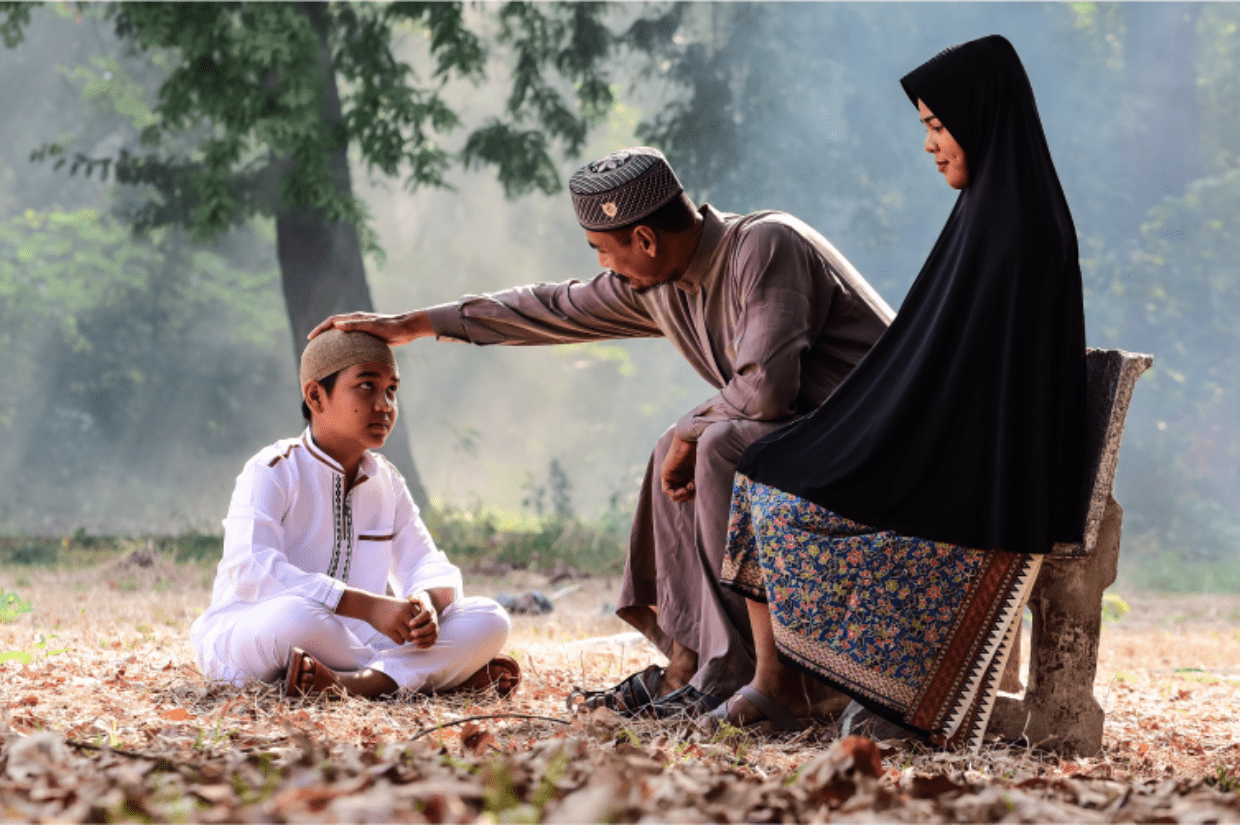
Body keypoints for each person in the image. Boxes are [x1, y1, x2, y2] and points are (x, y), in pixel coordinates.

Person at [310, 147, 894, 717]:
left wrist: (691, 429)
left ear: (645, 240)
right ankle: (690, 667)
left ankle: (761, 679)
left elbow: (767, 390)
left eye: (603, 250)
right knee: (681, 445)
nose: (602, 267)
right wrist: (413, 324)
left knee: (713, 442)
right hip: (808, 438)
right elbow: (548, 307)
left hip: (881, 433)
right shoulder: (662, 281)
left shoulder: (766, 245)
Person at [703, 35, 1086, 749]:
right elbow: (929, 355)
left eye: (940, 127)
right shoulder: (982, 215)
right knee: (767, 470)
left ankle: (859, 692)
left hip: (983, 468)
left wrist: (890, 440)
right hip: (949, 441)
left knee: (780, 481)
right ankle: (777, 682)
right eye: (927, 129)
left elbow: (983, 383)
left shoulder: (1021, 231)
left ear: (982, 119)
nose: (931, 146)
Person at [190, 329, 519, 699]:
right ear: (316, 396)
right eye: (366, 386)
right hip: (259, 632)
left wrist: (424, 603)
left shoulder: (387, 481)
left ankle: (354, 683)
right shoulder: (272, 469)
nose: (385, 404)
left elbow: (424, 562)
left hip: (360, 641)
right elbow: (252, 568)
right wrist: (366, 606)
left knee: (489, 618)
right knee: (298, 618)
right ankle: (430, 678)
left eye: (392, 390)